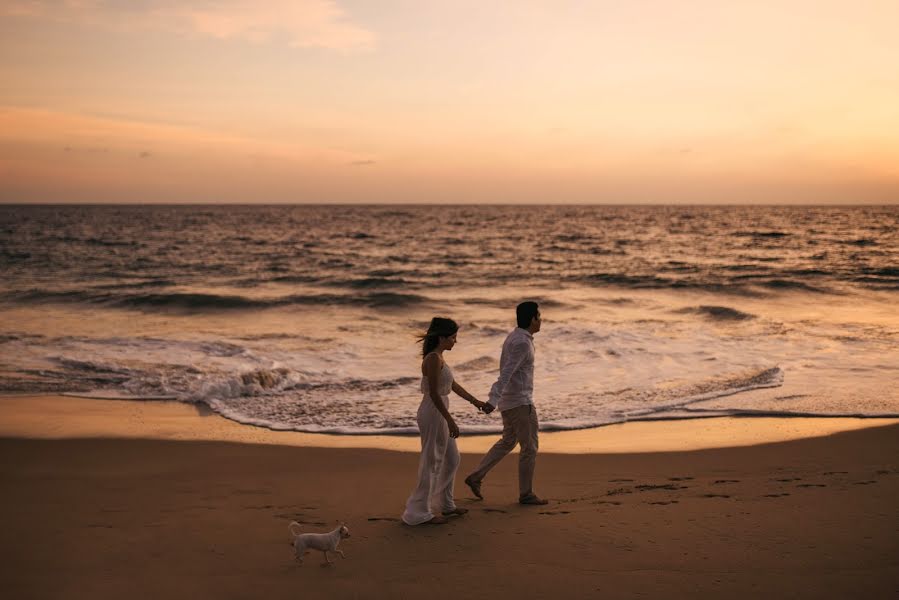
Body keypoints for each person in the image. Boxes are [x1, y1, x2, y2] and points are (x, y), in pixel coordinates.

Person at [402, 317, 488, 525]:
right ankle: (419, 513)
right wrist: (449, 420)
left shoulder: (439, 357)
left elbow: (453, 385)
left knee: (452, 458)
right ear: (441, 338)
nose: (455, 341)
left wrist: (475, 401)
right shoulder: (432, 359)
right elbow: (433, 393)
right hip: (433, 412)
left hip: (439, 409)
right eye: (453, 337)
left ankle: (446, 504)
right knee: (432, 462)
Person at [464, 301, 548, 505]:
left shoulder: (515, 336)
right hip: (519, 403)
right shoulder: (522, 343)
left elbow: (508, 372)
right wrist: (493, 398)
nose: (541, 319)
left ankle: (476, 477)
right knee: (530, 448)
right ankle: (526, 494)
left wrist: (497, 399)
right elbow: (507, 373)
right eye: (539, 316)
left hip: (510, 402)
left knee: (508, 441)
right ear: (532, 319)